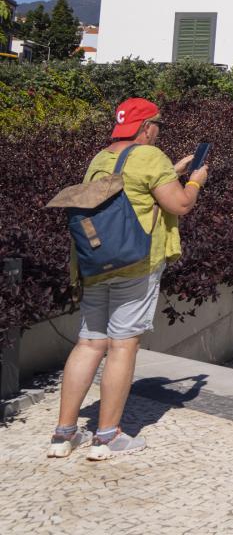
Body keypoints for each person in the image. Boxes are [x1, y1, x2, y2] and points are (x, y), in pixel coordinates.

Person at [48, 98, 207, 462]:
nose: (158, 131)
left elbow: (134, 190)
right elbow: (179, 204)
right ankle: (107, 437)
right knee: (122, 345)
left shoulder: (101, 157)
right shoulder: (152, 156)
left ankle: (64, 434)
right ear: (146, 127)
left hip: (95, 263)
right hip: (135, 263)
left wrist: (173, 169)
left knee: (89, 343)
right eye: (157, 125)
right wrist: (195, 181)